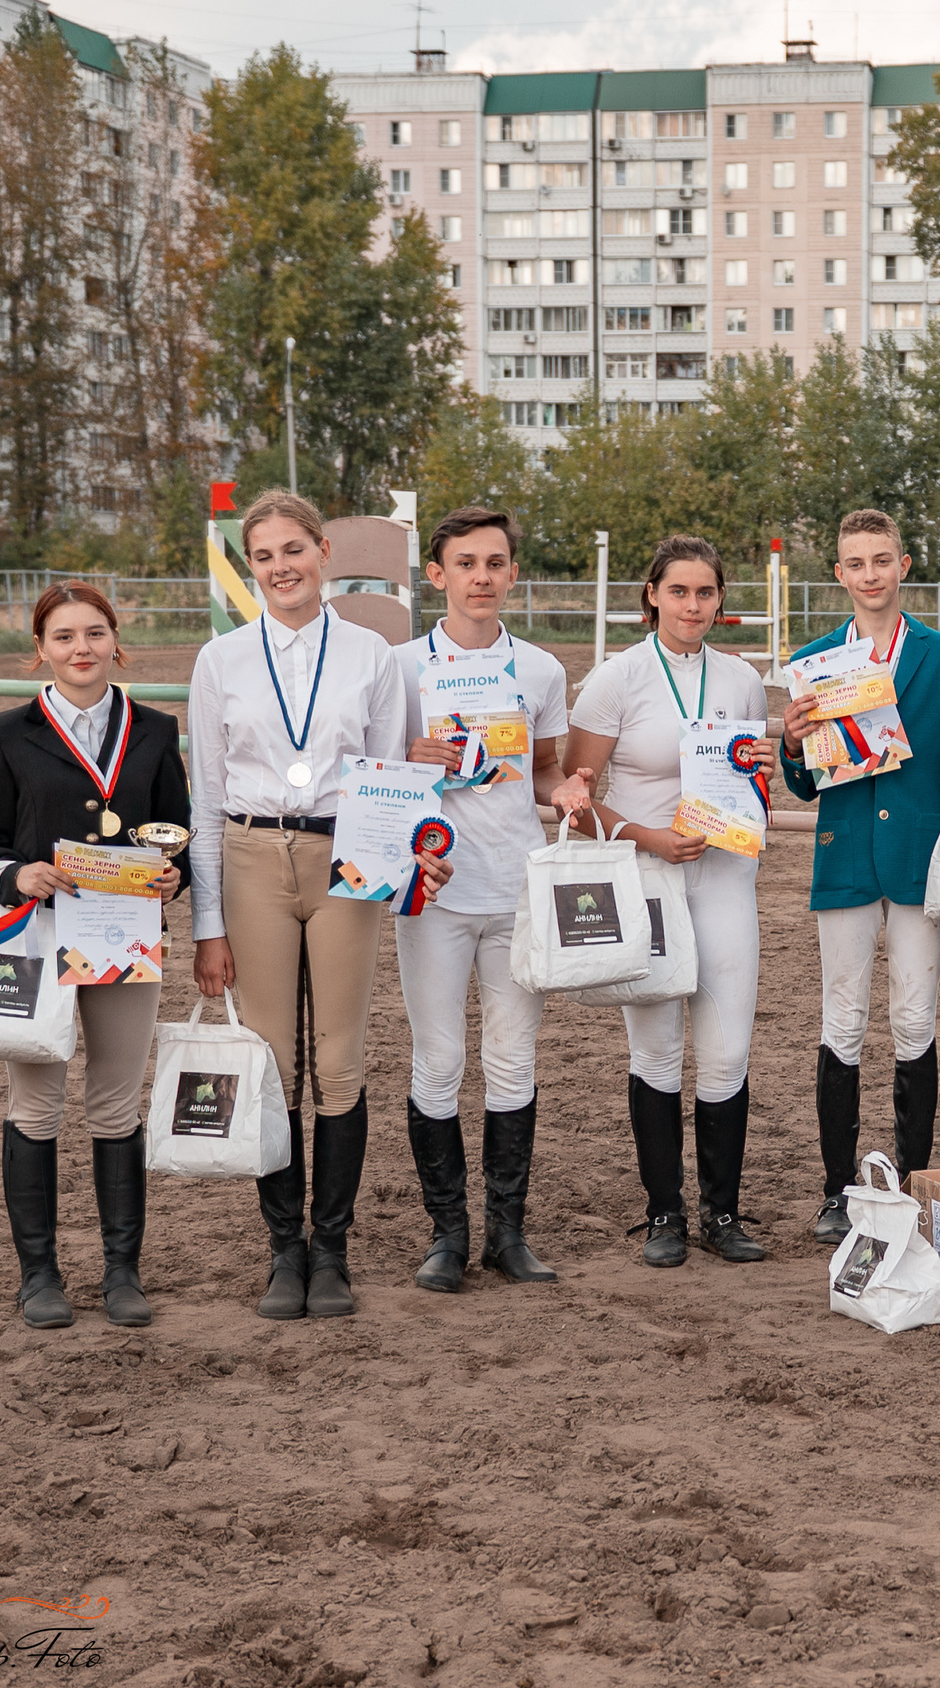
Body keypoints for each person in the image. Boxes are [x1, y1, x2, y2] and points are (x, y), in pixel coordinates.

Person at [189, 489, 440, 1322]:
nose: (281, 567)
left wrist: (395, 870)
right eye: (263, 556)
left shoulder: (372, 654)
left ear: (322, 552)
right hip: (254, 856)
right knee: (272, 1063)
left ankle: (330, 1246)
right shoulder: (219, 660)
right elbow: (206, 798)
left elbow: (384, 777)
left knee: (338, 1061)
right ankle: (281, 1250)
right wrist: (208, 924)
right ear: (249, 566)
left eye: (293, 549)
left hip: (346, 855)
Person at [0, 584, 191, 1330]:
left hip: (123, 933)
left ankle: (122, 1271)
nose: (80, 648)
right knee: (35, 1106)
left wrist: (172, 874)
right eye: (63, 637)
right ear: (41, 649)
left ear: (116, 641)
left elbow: (175, 831)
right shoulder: (5, 730)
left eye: (94, 633)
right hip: (37, 932)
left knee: (117, 1104)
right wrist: (14, 873)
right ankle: (40, 1275)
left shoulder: (155, 729)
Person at [554, 537, 769, 1268]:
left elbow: (750, 781)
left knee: (728, 1049)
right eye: (678, 591)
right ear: (652, 594)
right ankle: (664, 1213)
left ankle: (723, 1211)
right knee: (654, 1050)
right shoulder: (616, 679)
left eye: (705, 593)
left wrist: (760, 776)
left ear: (719, 600)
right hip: (647, 879)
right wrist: (646, 833)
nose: (692, 605)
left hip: (726, 879)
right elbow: (575, 801)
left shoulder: (741, 678)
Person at [779, 508, 940, 1243]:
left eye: (881, 560)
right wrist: (796, 745)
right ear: (839, 573)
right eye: (856, 562)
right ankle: (836, 1189)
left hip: (920, 864)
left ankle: (915, 1183)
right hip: (846, 856)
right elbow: (803, 783)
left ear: (904, 563)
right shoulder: (815, 659)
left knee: (915, 1020)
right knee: (842, 1021)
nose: (870, 574)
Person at [393, 505, 570, 1293]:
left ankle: (507, 1231)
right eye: (466, 563)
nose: (482, 577)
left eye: (495, 562)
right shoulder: (399, 668)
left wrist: (571, 790)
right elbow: (371, 778)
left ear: (512, 572)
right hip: (433, 891)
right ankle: (446, 1233)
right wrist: (405, 756)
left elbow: (544, 774)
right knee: (438, 1058)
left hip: (515, 887)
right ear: (437, 575)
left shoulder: (540, 671)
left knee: (512, 1058)